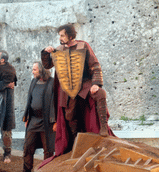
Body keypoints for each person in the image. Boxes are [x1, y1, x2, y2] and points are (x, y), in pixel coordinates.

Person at [41, 24, 111, 155]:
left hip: (85, 84)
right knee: (70, 116)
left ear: (70, 36)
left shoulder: (83, 46)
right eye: (60, 35)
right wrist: (46, 52)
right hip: (68, 89)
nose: (60, 38)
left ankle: (103, 127)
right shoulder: (59, 49)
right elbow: (47, 65)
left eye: (62, 35)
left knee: (100, 93)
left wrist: (96, 83)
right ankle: (76, 144)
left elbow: (95, 65)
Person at [19, 61, 55, 172]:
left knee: (48, 150)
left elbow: (56, 102)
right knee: (28, 146)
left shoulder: (52, 82)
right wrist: (27, 117)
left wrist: (55, 121)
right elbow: (29, 99)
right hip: (34, 120)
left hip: (47, 122)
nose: (32, 72)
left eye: (34, 69)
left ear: (42, 70)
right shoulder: (34, 81)